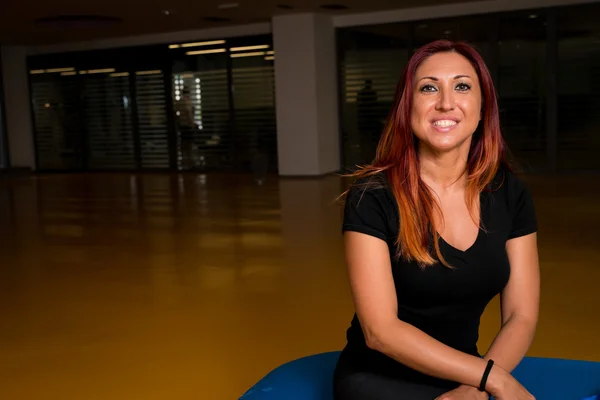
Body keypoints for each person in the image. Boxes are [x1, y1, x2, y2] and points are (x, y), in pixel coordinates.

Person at [333, 40, 539, 400]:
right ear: (407, 107)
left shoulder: (511, 194)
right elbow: (380, 331)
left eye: (462, 86)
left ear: (482, 107)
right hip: (379, 376)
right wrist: (495, 381)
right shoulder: (373, 195)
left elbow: (521, 315)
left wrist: (476, 386)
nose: (446, 102)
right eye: (429, 87)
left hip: (466, 372)